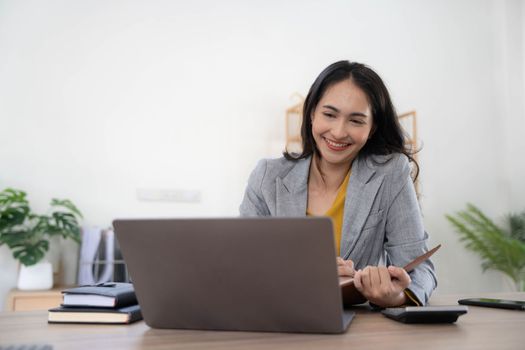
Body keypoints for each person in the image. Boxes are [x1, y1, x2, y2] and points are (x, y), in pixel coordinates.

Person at [239, 60, 437, 307]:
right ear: (312, 113)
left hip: (358, 331)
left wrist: (394, 297)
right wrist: (308, 275)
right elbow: (244, 268)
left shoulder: (391, 173)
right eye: (329, 115)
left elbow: (422, 272)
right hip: (280, 322)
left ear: (372, 127)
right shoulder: (267, 176)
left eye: (356, 121)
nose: (339, 132)